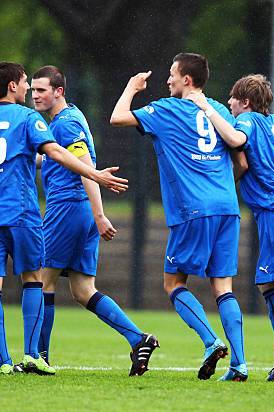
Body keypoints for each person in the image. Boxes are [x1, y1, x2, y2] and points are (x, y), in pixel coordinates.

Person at [0, 62, 128, 375]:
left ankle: (5, 362)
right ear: (11, 86)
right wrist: (96, 176)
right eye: (24, 83)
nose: (28, 91)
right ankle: (33, 354)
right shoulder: (27, 118)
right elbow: (58, 153)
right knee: (34, 280)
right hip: (21, 215)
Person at [110, 53, 247, 381]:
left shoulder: (167, 110)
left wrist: (131, 88)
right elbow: (241, 163)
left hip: (193, 209)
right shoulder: (219, 110)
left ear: (187, 79)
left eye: (172, 74)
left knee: (173, 283)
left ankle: (211, 342)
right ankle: (240, 364)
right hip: (228, 207)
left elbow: (117, 118)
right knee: (223, 286)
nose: (167, 80)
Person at [187, 74, 274, 383]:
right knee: (268, 283)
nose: (228, 104)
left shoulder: (248, 122)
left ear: (246, 102)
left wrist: (207, 109)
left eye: (232, 99)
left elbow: (236, 141)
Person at [31, 65, 158, 377]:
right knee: (83, 289)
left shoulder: (66, 122)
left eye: (41, 90)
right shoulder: (69, 118)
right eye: (32, 90)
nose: (35, 96)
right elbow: (61, 160)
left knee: (40, 281)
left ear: (58, 91)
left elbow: (86, 167)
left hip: (68, 208)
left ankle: (38, 357)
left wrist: (100, 214)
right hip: (80, 210)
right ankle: (137, 338)